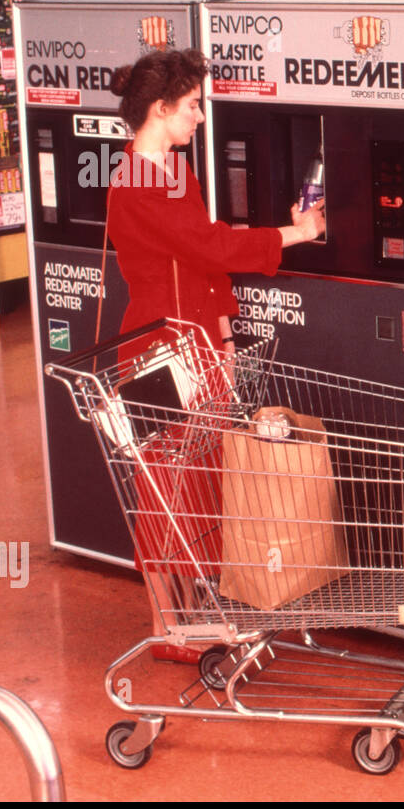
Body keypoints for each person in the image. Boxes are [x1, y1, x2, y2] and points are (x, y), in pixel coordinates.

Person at [106, 48, 325, 661]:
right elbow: (210, 246)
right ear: (161, 107)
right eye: (196, 105)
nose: (202, 117)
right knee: (163, 490)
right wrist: (296, 234)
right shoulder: (134, 185)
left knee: (201, 484)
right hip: (157, 352)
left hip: (198, 344)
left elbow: (202, 266)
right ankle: (164, 622)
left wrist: (224, 334)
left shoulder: (174, 170)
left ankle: (195, 613)